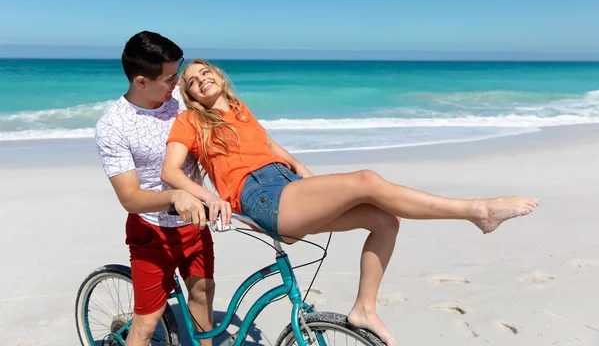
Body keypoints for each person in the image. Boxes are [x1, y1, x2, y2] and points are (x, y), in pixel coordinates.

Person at [160, 59, 540, 346]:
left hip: (287, 185)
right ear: (190, 95)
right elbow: (172, 171)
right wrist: (209, 196)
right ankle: (477, 211)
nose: (200, 80)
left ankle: (364, 309)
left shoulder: (240, 109)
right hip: (257, 195)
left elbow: (269, 147)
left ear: (219, 76)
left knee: (385, 220)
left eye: (204, 72)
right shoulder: (190, 122)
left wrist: (303, 171)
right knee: (366, 181)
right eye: (191, 81)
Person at [95, 33, 215, 346]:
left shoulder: (177, 104)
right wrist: (175, 196)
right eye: (170, 78)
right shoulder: (113, 126)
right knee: (147, 325)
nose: (177, 83)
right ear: (141, 81)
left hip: (194, 223)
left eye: (178, 74)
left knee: (202, 296)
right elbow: (130, 199)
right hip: (152, 232)